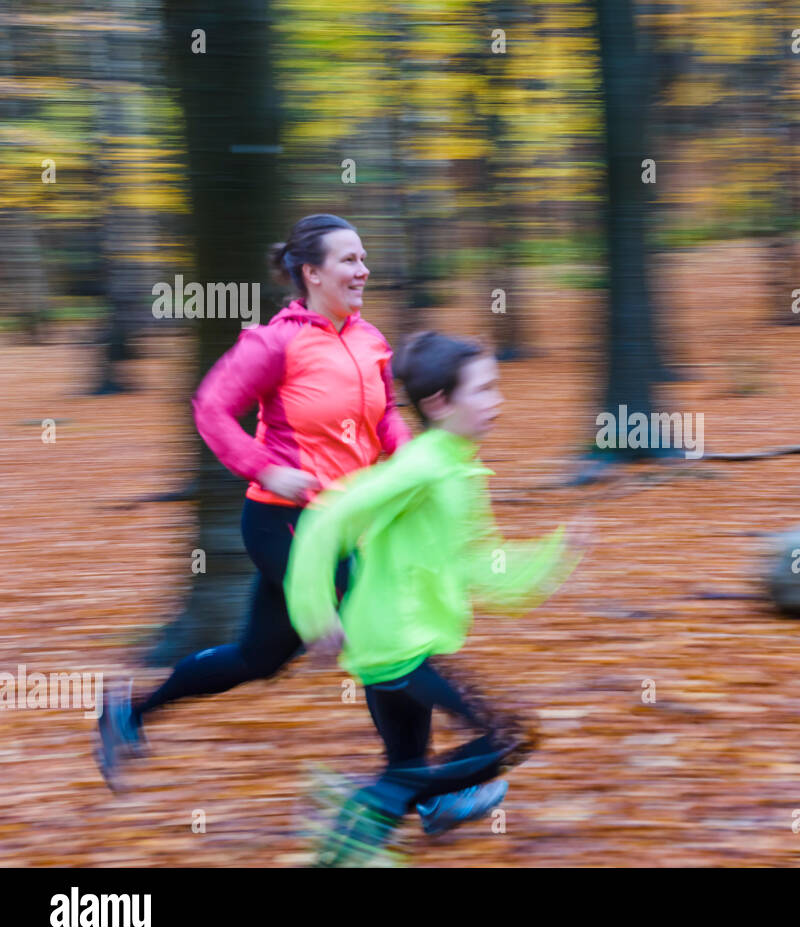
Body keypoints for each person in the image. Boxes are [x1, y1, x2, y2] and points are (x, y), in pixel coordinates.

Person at [96, 214, 412, 789]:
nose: (363, 270)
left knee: (258, 659)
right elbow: (210, 408)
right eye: (349, 260)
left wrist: (412, 463)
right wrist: (266, 467)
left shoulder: (371, 340)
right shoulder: (275, 342)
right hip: (283, 522)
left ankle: (128, 711)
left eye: (364, 258)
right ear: (311, 273)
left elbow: (386, 415)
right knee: (381, 634)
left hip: (342, 522)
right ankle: (415, 784)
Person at [284, 331, 590, 860]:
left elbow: (480, 564)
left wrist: (553, 555)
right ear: (439, 404)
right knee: (511, 734)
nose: (498, 402)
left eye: (496, 388)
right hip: (398, 646)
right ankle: (353, 809)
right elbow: (327, 516)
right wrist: (314, 613)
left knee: (406, 771)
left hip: (396, 648)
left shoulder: (457, 468)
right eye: (484, 390)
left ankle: (349, 834)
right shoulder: (423, 465)